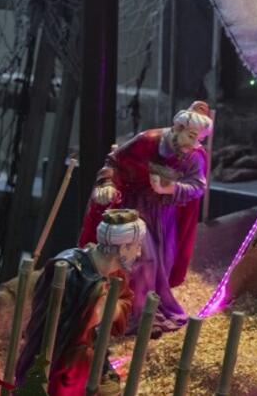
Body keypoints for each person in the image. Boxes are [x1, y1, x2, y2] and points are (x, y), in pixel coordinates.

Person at [78, 102, 212, 335]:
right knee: (142, 258)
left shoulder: (194, 155)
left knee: (163, 263)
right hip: (136, 209)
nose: (194, 144)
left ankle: (149, 309)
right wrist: (106, 183)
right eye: (191, 136)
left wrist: (170, 188)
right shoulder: (147, 141)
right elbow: (114, 162)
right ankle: (133, 315)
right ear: (178, 127)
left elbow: (197, 187)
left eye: (198, 139)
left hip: (165, 216)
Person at [17, 209, 145, 395]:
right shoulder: (69, 271)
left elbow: (124, 302)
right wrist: (92, 310)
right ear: (123, 248)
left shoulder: (115, 274)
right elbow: (51, 329)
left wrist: (112, 309)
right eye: (137, 246)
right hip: (61, 364)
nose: (139, 253)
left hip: (91, 360)